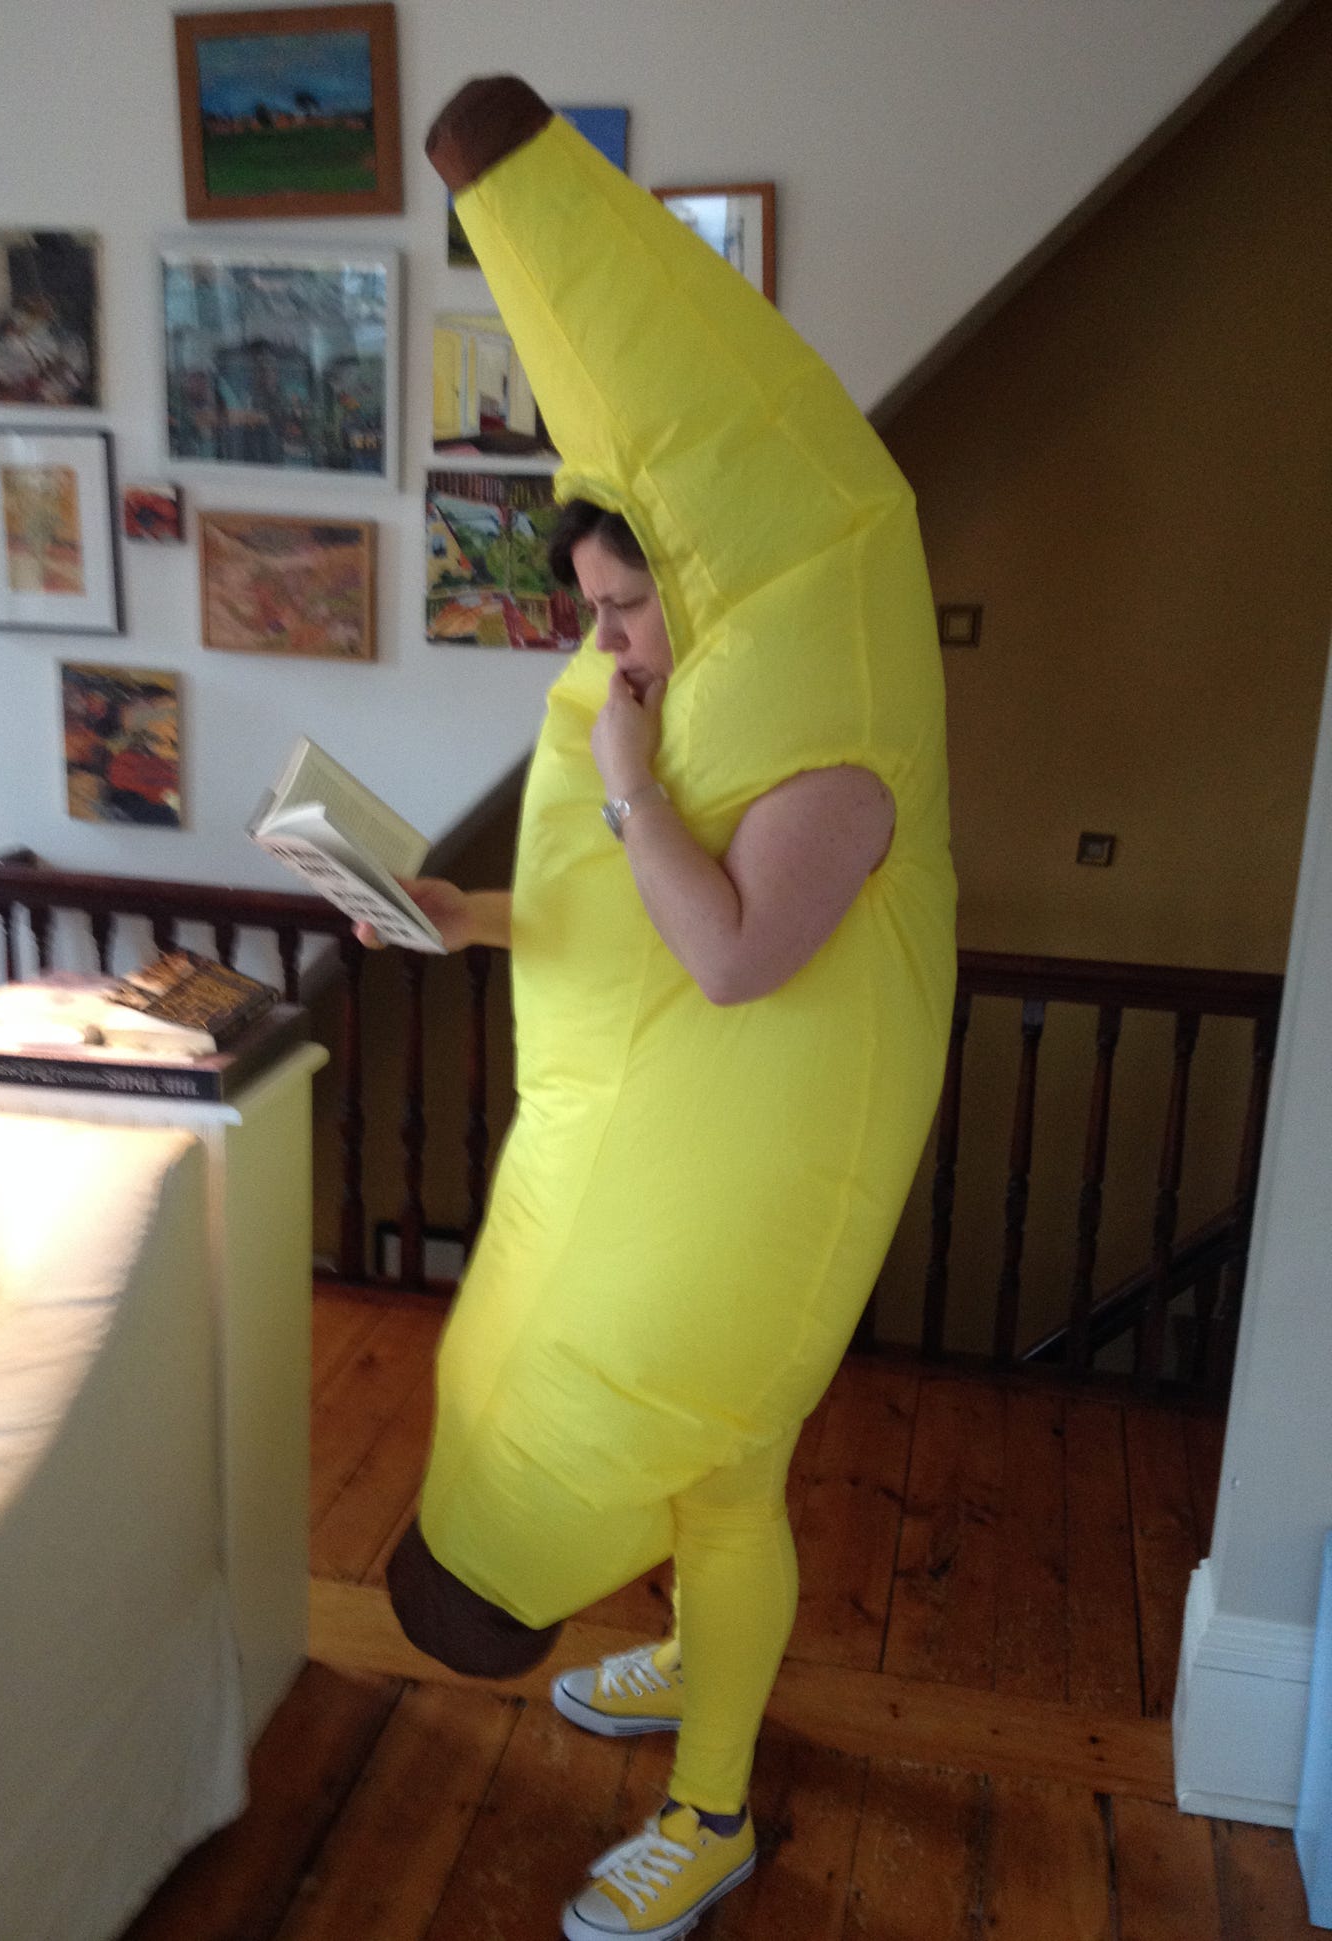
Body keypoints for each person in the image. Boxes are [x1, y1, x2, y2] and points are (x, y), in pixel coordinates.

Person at [352, 77, 957, 1941]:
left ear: (698, 585)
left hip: (761, 1199)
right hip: (724, 1163)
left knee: (724, 1461)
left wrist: (621, 777)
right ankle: (708, 1682)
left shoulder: (831, 741)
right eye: (601, 608)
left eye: (629, 604)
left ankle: (713, 1817)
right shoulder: (702, 710)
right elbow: (630, 941)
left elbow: (732, 953)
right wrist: (451, 914)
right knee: (725, 1487)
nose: (611, 642)